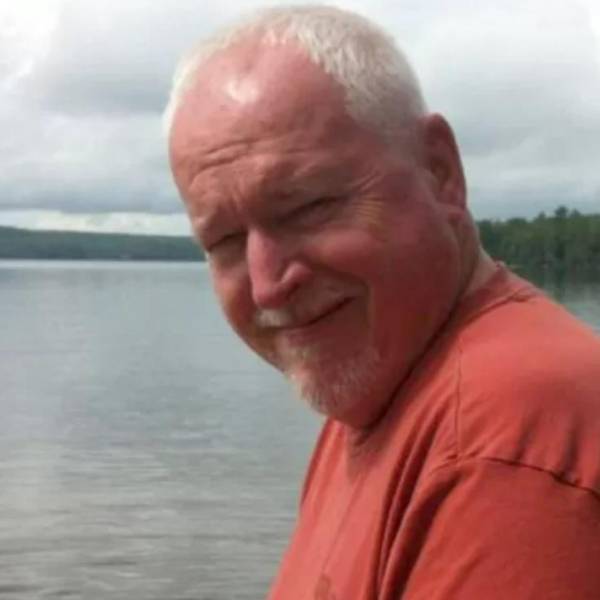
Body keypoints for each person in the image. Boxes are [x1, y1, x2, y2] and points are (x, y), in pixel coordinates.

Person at [164, 6, 600, 599]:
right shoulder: (381, 391)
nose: (268, 285)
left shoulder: (503, 440)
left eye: (307, 207)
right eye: (224, 242)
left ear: (439, 171)